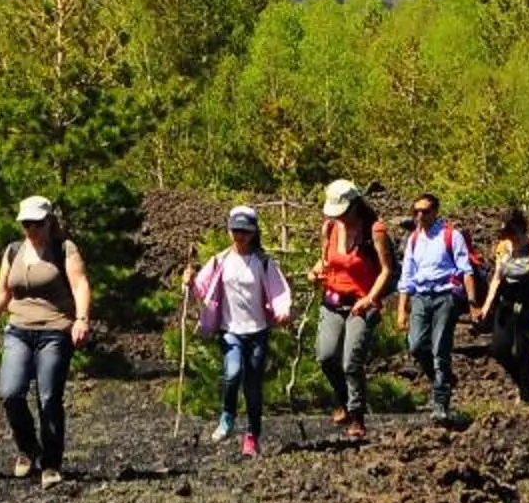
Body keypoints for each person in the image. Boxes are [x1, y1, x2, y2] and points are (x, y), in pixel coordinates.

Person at [0, 197, 92, 486]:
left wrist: (81, 319)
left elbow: (79, 284)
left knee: (49, 397)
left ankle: (51, 463)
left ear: (49, 221)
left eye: (37, 223)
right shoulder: (13, 251)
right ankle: (27, 448)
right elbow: (2, 291)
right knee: (10, 392)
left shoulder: (64, 248)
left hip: (55, 329)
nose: (32, 229)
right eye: (26, 224)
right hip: (18, 329)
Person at [190, 208, 295, 456]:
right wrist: (189, 281)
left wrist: (283, 311)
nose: (239, 235)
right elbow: (199, 288)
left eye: (245, 231)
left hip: (257, 331)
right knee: (233, 371)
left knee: (252, 386)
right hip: (230, 329)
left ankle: (252, 435)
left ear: (253, 232)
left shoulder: (264, 262)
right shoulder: (219, 260)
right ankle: (227, 416)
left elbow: (279, 291)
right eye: (235, 230)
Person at [310, 181, 394, 444]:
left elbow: (386, 270)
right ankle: (343, 401)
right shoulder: (330, 228)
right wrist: (315, 272)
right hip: (333, 301)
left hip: (362, 303)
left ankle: (356, 414)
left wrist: (370, 298)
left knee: (351, 362)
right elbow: (326, 260)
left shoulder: (375, 230)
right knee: (325, 356)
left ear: (355, 205)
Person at [394, 193, 476, 427]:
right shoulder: (412, 240)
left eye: (425, 211)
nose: (420, 215)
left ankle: (441, 401)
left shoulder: (451, 236)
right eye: (416, 211)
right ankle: (443, 379)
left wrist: (472, 303)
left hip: (445, 295)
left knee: (441, 347)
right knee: (416, 345)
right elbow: (406, 276)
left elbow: (465, 270)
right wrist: (402, 309)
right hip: (421, 295)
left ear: (435, 211)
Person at [472, 208, 529, 406]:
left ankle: (527, 395)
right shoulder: (502, 248)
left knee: (522, 350)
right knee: (499, 349)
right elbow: (497, 278)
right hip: (506, 303)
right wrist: (486, 306)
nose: (511, 238)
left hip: (528, 303)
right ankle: (523, 382)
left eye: (512, 233)